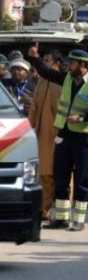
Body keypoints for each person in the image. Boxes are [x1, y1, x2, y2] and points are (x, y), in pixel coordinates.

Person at [27, 45, 88, 231]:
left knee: (82, 180)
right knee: (60, 176)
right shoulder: (67, 78)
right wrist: (34, 59)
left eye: (73, 62)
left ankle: (78, 220)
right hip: (64, 135)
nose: (69, 65)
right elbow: (46, 73)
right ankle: (60, 218)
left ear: (83, 65)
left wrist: (82, 117)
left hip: (83, 138)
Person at [28, 50, 63, 220]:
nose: (45, 63)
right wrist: (28, 129)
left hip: (59, 135)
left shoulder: (62, 82)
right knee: (44, 173)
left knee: (58, 173)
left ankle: (58, 210)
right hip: (41, 135)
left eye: (47, 60)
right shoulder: (41, 82)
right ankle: (44, 209)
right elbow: (34, 107)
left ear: (56, 63)